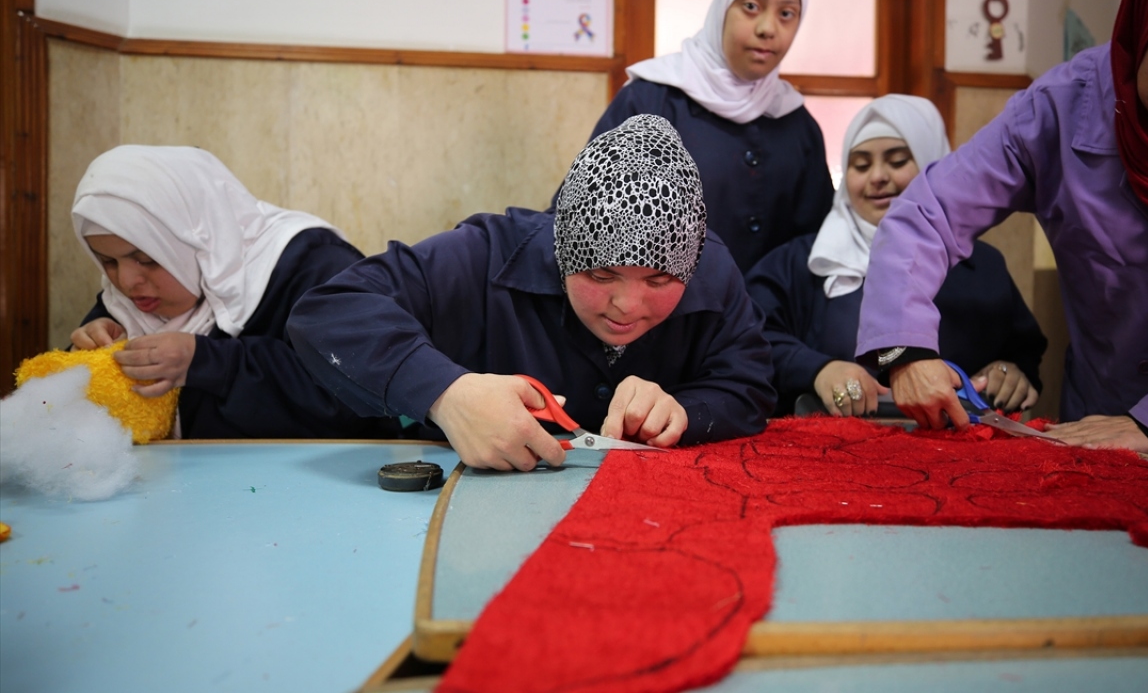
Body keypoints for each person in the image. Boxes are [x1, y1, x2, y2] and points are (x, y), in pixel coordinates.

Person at [854, 0, 1148, 482]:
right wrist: (905, 349)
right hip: (1102, 413)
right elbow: (928, 214)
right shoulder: (1058, 107)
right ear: (1142, 27)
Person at [287, 115, 775, 472]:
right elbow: (328, 311)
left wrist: (686, 411)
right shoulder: (484, 256)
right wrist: (444, 393)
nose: (627, 305)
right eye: (602, 275)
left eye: (658, 281)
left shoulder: (712, 269)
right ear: (564, 249)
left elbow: (750, 384)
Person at [70, 145, 404, 440]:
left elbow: (353, 400)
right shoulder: (125, 301)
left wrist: (205, 362)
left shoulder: (315, 266)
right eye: (107, 262)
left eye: (147, 259)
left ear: (195, 239)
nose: (127, 282)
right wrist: (88, 350)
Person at [747, 95, 1046, 417]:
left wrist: (1010, 372)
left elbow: (1023, 351)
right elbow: (751, 337)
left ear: (934, 167)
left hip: (957, 440)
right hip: (828, 441)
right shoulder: (802, 262)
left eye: (898, 161)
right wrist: (819, 370)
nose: (877, 176)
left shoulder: (983, 264)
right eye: (861, 165)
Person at [586, 0, 832, 272]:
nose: (768, 28)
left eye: (786, 14)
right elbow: (584, 223)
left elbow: (815, 244)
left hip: (770, 304)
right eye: (751, 6)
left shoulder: (796, 123)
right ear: (722, 8)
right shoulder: (649, 102)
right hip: (661, 301)